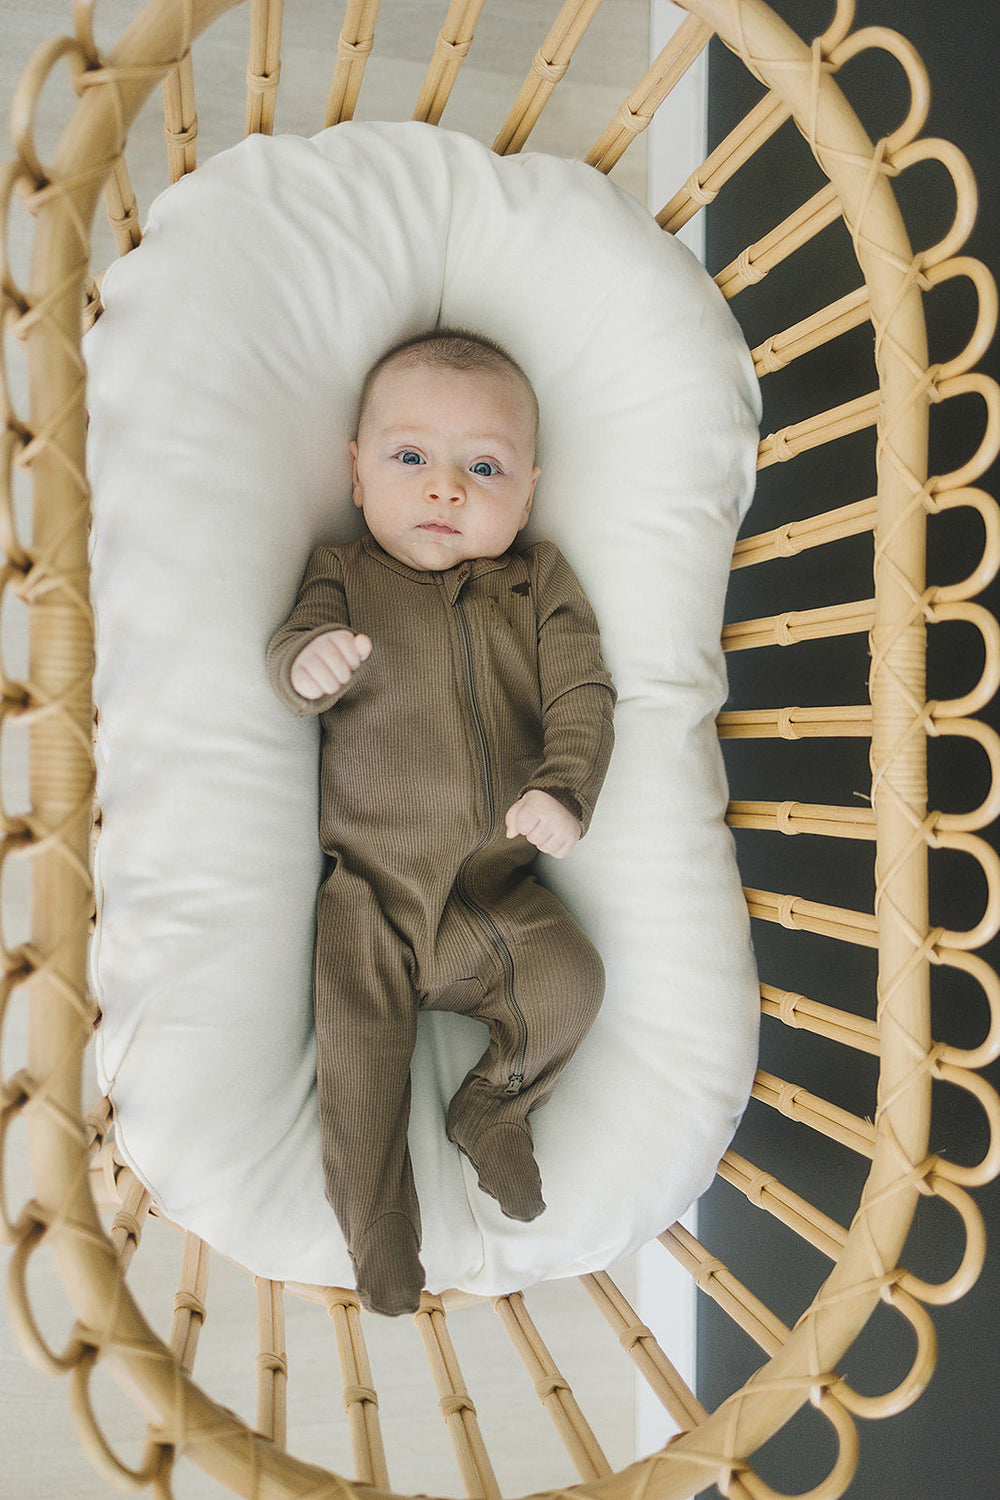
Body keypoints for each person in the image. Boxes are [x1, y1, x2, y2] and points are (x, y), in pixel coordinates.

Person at [267, 329, 615, 1315]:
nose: (445, 489)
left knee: (571, 980)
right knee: (361, 1061)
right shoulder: (344, 573)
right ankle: (378, 1225)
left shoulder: (537, 584)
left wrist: (565, 791)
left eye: (484, 468)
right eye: (411, 457)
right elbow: (290, 650)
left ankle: (494, 1103)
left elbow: (584, 691)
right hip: (370, 896)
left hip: (494, 899)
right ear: (356, 473)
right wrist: (306, 664)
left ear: (529, 492)